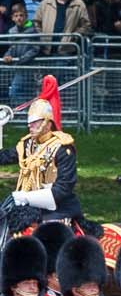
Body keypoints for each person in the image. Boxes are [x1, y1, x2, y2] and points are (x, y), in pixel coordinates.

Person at [0, 76, 80, 232]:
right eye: (29, 122)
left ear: (48, 123)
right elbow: (2, 157)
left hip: (57, 210)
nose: (30, 126)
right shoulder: (27, 145)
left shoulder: (63, 148)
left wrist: (26, 197)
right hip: (28, 207)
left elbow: (63, 189)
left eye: (35, 122)